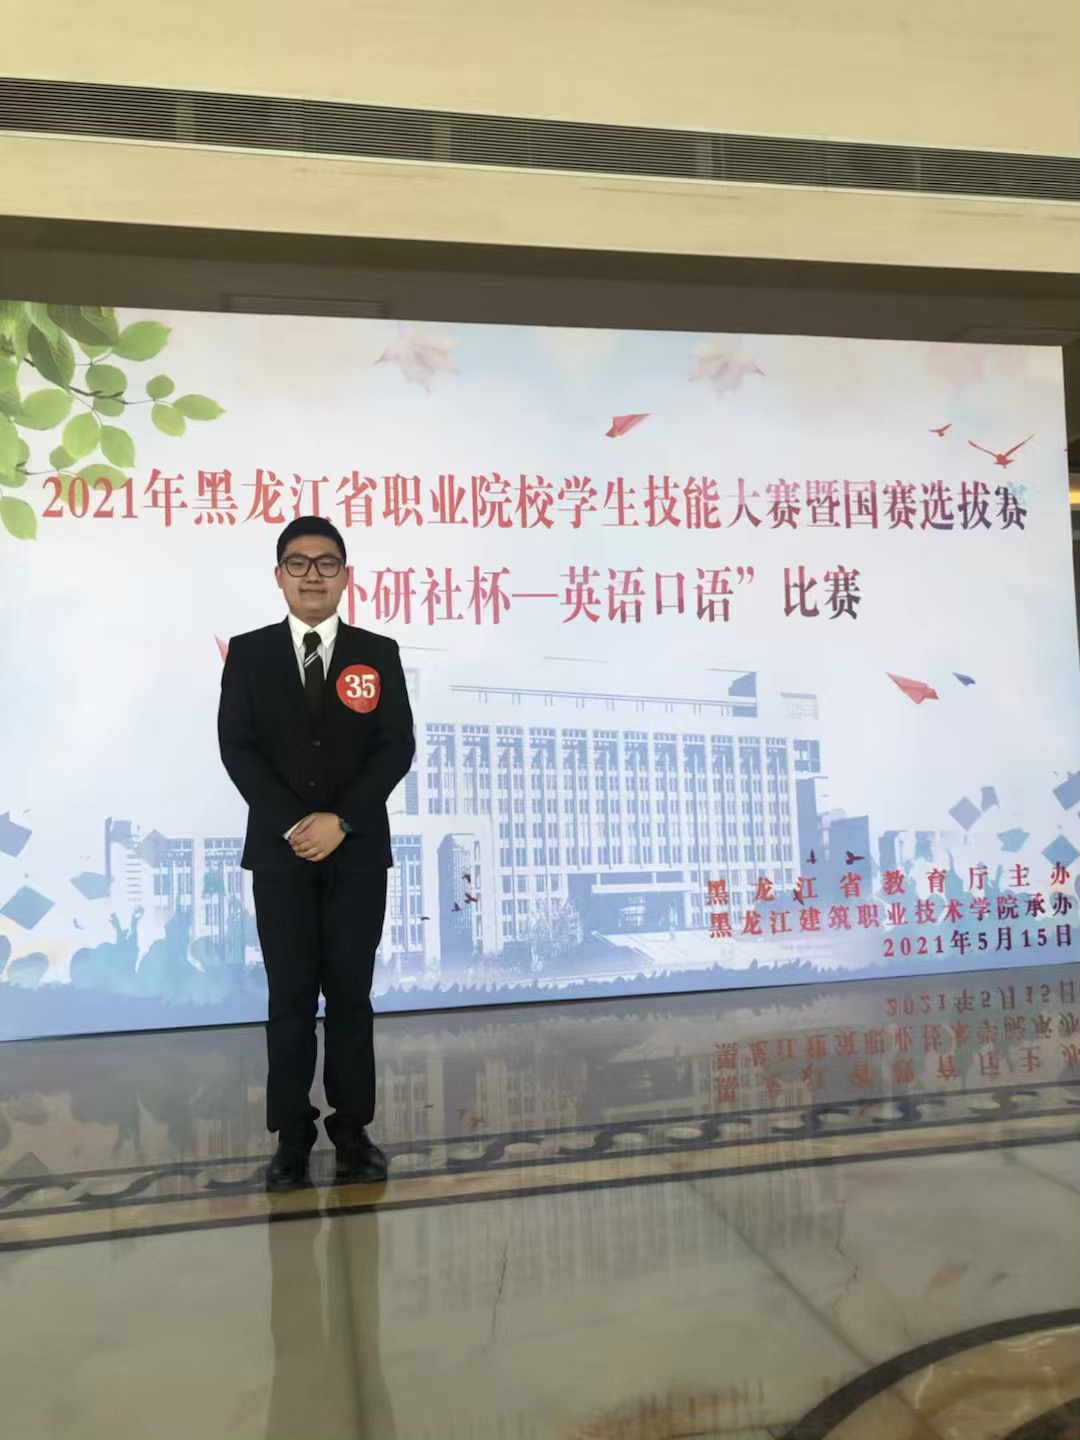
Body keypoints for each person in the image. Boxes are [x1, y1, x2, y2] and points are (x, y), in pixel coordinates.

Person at [218, 516, 415, 1190]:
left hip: (356, 855)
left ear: (345, 576)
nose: (312, 575)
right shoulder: (249, 654)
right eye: (298, 563)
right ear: (279, 577)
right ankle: (292, 1135)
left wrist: (342, 820)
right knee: (291, 998)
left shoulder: (377, 652)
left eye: (326, 563)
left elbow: (395, 746)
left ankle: (353, 1131)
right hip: (281, 855)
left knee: (351, 996)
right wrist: (297, 824)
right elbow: (237, 747)